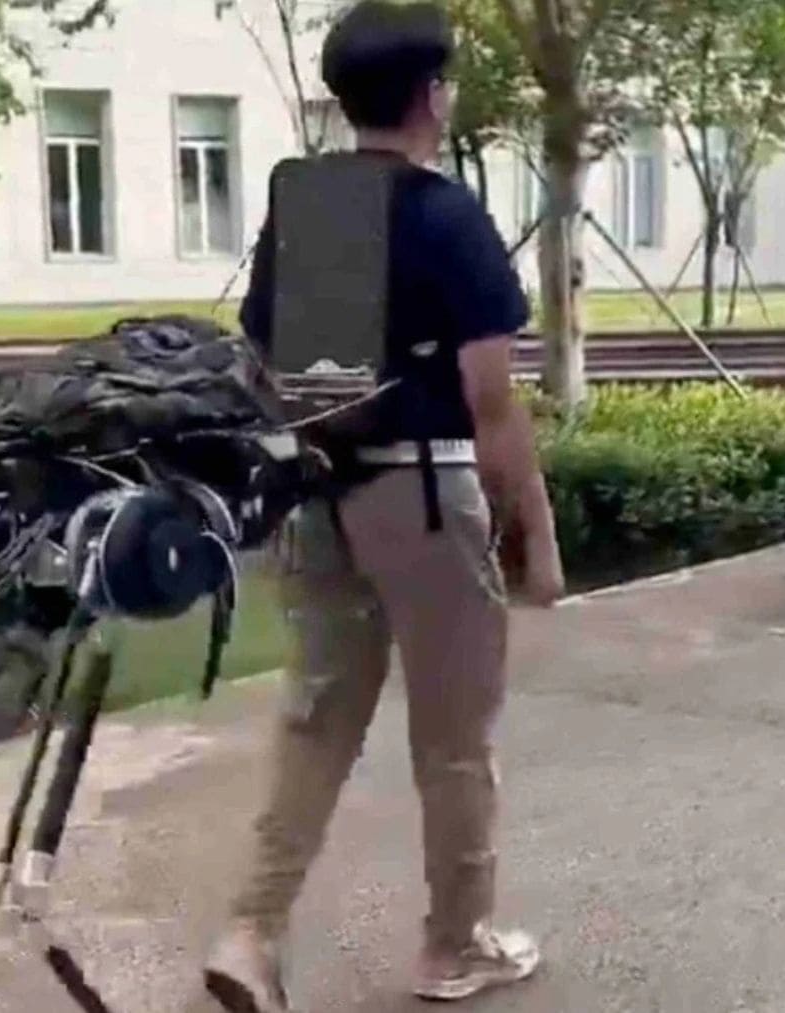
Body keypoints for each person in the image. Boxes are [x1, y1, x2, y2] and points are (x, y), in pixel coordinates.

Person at [202, 2, 567, 1010]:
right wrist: (535, 537)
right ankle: (456, 945)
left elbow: (274, 367)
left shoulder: (311, 209)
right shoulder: (447, 215)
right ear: (429, 95)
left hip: (321, 494)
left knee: (315, 722)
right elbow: (493, 401)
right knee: (453, 739)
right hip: (418, 492)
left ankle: (250, 931)